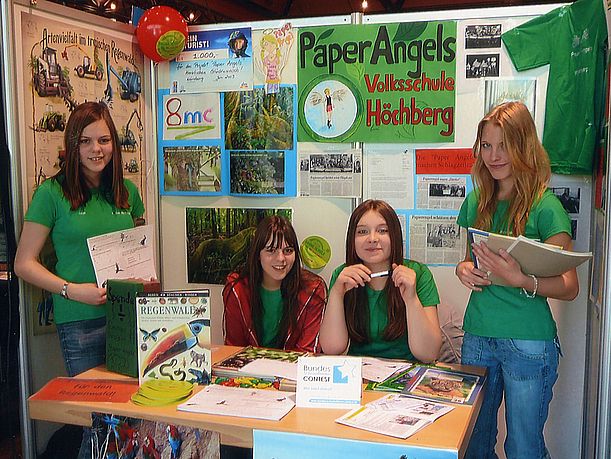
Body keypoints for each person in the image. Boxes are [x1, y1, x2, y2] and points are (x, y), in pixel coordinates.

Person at [14, 101, 144, 458]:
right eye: (85, 141)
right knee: (97, 424)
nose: (96, 150)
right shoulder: (51, 194)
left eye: (103, 140)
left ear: (114, 144)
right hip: (80, 322)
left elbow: (135, 250)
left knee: (130, 418)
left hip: (127, 320)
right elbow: (23, 264)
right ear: (73, 145)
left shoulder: (126, 192)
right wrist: (73, 291)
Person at [455, 101, 578, 458]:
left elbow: (570, 287)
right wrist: (463, 271)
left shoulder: (545, 207)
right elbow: (469, 261)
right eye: (487, 145)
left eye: (504, 145)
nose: (493, 156)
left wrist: (521, 279)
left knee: (523, 447)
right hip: (477, 335)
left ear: (523, 145)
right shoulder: (478, 200)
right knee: (474, 445)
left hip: (528, 343)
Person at [319, 199, 442, 362]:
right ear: (352, 239)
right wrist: (336, 293)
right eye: (362, 232)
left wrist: (412, 300)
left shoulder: (418, 274)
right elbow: (332, 349)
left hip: (406, 370)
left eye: (382, 231)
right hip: (358, 371)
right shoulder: (342, 275)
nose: (372, 238)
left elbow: (428, 354)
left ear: (395, 236)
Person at [222, 215, 327, 353]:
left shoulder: (312, 289)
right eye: (271, 250)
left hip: (293, 371)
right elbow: (234, 348)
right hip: (248, 371)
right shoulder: (237, 288)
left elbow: (307, 351)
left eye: (288, 251)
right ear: (257, 254)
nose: (281, 258)